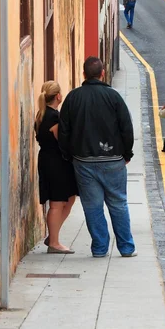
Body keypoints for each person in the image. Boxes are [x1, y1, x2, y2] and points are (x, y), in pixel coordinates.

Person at [59, 57, 136, 258]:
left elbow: (64, 130)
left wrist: (68, 155)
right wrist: (127, 154)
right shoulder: (114, 96)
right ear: (102, 73)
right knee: (118, 203)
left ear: (83, 74)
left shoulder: (73, 97)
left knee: (92, 207)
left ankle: (100, 248)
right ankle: (126, 248)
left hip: (83, 161)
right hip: (113, 159)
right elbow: (126, 128)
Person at [35, 81, 78, 254]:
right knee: (57, 202)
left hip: (49, 160)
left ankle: (52, 235)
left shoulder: (42, 114)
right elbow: (63, 141)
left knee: (69, 199)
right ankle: (54, 242)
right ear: (58, 96)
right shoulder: (52, 117)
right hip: (56, 162)